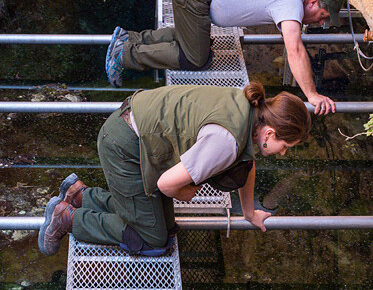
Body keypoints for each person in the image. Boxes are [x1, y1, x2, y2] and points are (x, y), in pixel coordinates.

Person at [38, 81, 310, 257]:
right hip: (126, 147)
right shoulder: (226, 141)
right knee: (152, 240)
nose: (283, 153)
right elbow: (167, 185)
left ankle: (80, 195)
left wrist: (249, 213)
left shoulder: (248, 109)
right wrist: (183, 192)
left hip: (138, 134)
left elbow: (247, 166)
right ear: (270, 133)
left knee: (168, 229)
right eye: (285, 146)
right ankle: (67, 218)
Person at [105, 0, 346, 114]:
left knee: (193, 39)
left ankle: (131, 38)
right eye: (323, 16)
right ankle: (126, 55)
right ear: (313, 2)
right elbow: (294, 49)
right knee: (196, 58)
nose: (321, 23)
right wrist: (312, 95)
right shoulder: (291, 0)